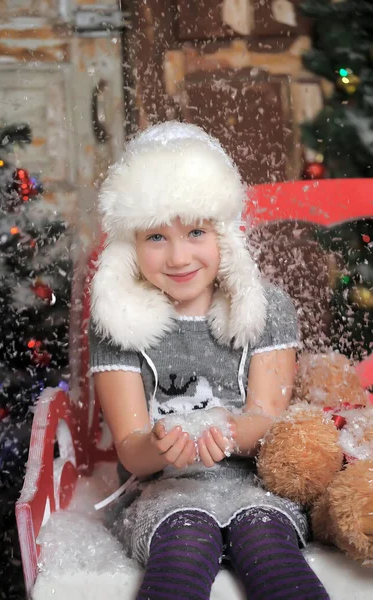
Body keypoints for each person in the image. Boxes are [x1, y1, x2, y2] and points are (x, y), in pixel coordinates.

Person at [89, 122, 329, 600]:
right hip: (163, 491)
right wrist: (163, 446)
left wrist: (216, 427)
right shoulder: (115, 322)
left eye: (196, 231)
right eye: (156, 236)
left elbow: (267, 422)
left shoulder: (267, 308)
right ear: (131, 245)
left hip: (254, 483)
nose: (179, 257)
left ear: (223, 233)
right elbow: (131, 448)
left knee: (267, 542)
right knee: (184, 540)